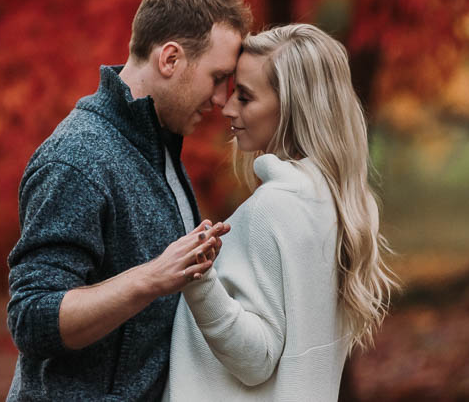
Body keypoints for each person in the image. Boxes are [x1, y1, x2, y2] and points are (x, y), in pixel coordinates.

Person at [6, 0, 253, 401]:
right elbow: (32, 318)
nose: (219, 99)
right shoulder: (77, 159)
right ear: (171, 58)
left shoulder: (159, 148)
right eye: (217, 78)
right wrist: (153, 277)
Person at [164, 23, 398, 400]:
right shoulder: (336, 202)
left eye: (244, 97)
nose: (225, 107)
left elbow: (257, 358)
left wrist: (196, 277)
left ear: (292, 106)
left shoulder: (271, 210)